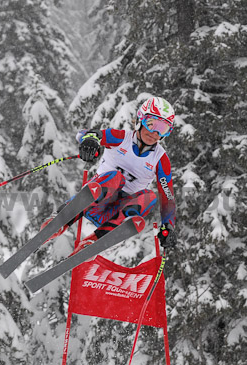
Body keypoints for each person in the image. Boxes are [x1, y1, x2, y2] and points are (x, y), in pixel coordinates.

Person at [42, 96, 177, 252]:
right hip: (95, 200)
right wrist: (91, 141)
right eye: (151, 124)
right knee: (115, 178)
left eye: (163, 129)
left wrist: (168, 226)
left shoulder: (160, 159)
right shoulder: (121, 138)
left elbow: (167, 197)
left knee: (149, 197)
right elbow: (85, 134)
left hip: (116, 215)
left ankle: (93, 242)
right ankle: (59, 221)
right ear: (140, 119)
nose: (155, 133)